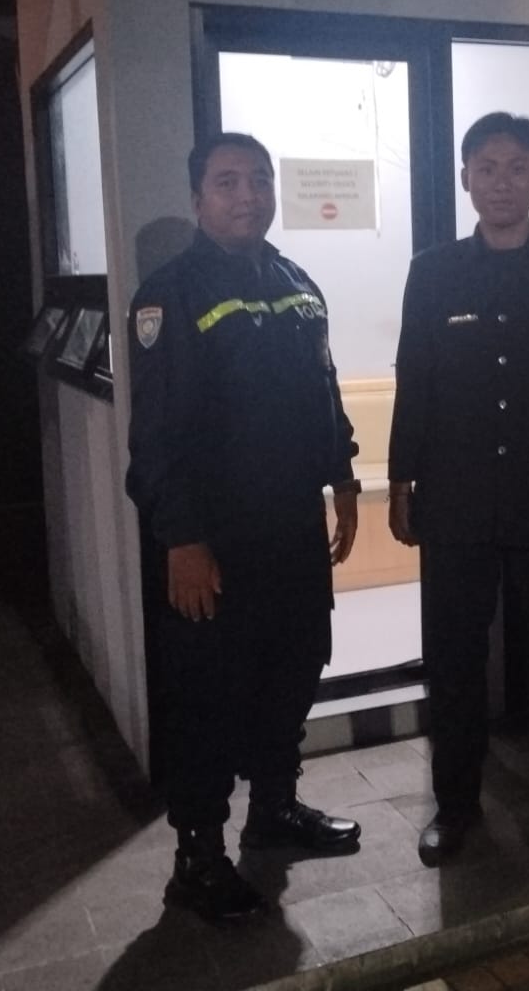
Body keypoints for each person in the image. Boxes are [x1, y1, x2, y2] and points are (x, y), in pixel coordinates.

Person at [125, 132, 364, 925]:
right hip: (215, 542)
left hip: (291, 529)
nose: (247, 195)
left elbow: (324, 391)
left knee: (293, 668)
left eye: (259, 180)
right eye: (227, 182)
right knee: (210, 698)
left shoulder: (296, 283)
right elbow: (156, 435)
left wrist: (343, 478)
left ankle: (275, 809)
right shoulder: (170, 293)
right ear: (198, 197)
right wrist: (182, 539)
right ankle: (197, 859)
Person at [388, 111, 529, 870]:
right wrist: (400, 479)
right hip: (456, 502)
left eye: (517, 167)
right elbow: (414, 379)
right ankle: (455, 806)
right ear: (464, 178)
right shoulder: (432, 272)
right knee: (453, 663)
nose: (501, 182)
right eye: (486, 168)